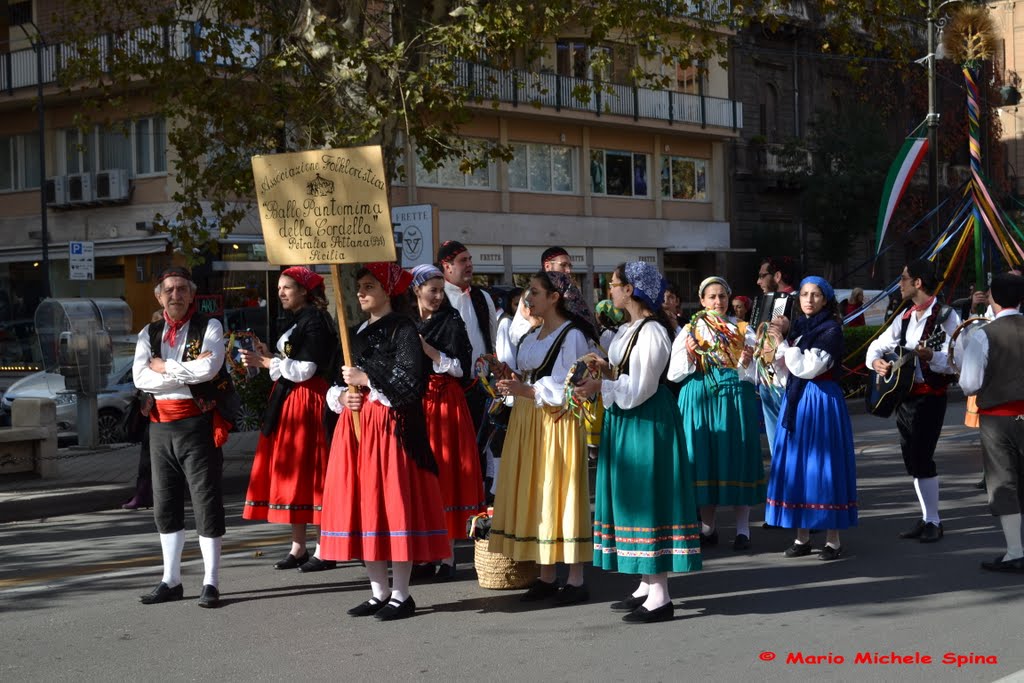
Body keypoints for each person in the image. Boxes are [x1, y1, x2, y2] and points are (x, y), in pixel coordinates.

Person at [318, 263, 448, 621]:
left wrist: (367, 377)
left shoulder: (403, 328)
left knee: (392, 507)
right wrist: (344, 397)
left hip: (389, 427)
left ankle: (401, 594)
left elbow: (409, 383)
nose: (361, 292)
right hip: (357, 427)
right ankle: (377, 592)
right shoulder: (357, 331)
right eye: (359, 286)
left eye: (369, 286)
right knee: (366, 507)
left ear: (387, 290)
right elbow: (336, 382)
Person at [575, 262, 702, 624]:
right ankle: (647, 584)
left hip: (647, 420)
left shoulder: (653, 332)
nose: (610, 291)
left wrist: (603, 385)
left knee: (649, 499)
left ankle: (661, 595)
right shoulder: (629, 329)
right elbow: (625, 376)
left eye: (614, 285)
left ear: (631, 290)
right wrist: (601, 367)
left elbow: (642, 388)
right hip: (629, 420)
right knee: (632, 498)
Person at [489, 270, 596, 605]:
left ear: (554, 297)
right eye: (528, 293)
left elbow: (571, 390)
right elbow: (530, 375)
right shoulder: (533, 335)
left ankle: (576, 579)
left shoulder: (572, 336)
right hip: (527, 418)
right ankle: (547, 575)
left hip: (556, 422)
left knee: (558, 490)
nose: (528, 299)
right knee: (536, 491)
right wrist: (509, 379)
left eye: (534, 292)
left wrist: (527, 388)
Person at [132, 266, 229, 609]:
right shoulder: (149, 331)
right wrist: (182, 376)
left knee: (206, 501)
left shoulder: (210, 326)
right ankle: (170, 579)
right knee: (165, 503)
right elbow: (140, 378)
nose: (175, 295)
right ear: (159, 296)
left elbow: (210, 369)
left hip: (196, 426)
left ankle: (211, 582)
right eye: (169, 290)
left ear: (192, 295)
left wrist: (166, 367)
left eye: (181, 290)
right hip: (159, 427)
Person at [240, 266, 338, 572]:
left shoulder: (317, 321)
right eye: (280, 287)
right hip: (291, 399)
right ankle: (299, 546)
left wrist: (267, 360)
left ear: (304, 291)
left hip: (308, 400)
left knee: (313, 470)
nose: (281, 292)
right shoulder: (299, 320)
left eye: (287, 287)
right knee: (295, 473)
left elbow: (306, 368)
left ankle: (326, 548)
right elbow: (289, 365)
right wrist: (269, 356)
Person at [866, 259, 960, 544]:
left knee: (922, 457)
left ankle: (934, 521)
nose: (900, 282)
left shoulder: (946, 316)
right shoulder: (905, 316)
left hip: (930, 398)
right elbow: (877, 344)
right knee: (912, 459)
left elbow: (957, 362)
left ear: (918, 282)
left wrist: (933, 357)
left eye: (904, 277)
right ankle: (926, 516)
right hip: (905, 397)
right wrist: (877, 362)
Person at [764, 276, 858, 560]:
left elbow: (808, 367)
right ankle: (802, 537)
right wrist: (772, 354)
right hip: (798, 400)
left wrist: (782, 344)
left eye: (815, 294)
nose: (808, 299)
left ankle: (833, 540)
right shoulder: (802, 329)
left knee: (822, 466)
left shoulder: (830, 330)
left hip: (820, 400)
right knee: (800, 467)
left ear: (826, 299)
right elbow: (788, 372)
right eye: (804, 294)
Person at [668, 276, 764, 551]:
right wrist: (689, 355)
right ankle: (708, 527)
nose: (718, 302)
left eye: (722, 296)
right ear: (702, 301)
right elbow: (674, 374)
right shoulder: (689, 331)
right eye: (712, 297)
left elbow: (756, 376)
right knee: (704, 458)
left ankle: (743, 529)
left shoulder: (743, 330)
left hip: (734, 399)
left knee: (737, 457)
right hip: (700, 398)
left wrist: (745, 364)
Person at [411, 264, 485, 580]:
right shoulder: (406, 322)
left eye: (442, 290)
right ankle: (424, 553)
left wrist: (428, 350)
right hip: (415, 403)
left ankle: (448, 556)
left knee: (446, 474)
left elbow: (460, 366)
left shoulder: (451, 321)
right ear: (417, 290)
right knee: (420, 479)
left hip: (444, 403)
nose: (439, 296)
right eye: (433, 290)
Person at [957, 272, 1024, 572]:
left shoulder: (984, 334)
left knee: (1003, 483)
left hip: (998, 419)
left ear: (993, 299)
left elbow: (970, 383)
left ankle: (1015, 551)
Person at [438, 241, 497, 484]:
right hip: (446, 389)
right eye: (463, 260)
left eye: (470, 259)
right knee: (450, 454)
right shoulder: (438, 298)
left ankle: (478, 509)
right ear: (447, 265)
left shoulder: (483, 297)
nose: (470, 265)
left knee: (477, 452)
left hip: (478, 388)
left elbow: (490, 341)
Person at [753, 256, 800, 466]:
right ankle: (781, 475)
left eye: (763, 275)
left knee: (791, 436)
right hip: (767, 378)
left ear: (777, 276)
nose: (758, 281)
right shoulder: (767, 301)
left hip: (786, 379)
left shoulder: (796, 301)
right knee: (775, 443)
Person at [122, 310, 165, 511]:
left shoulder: (172, 348)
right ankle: (143, 494)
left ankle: (150, 494)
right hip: (151, 407)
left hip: (168, 409)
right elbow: (141, 374)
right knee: (148, 456)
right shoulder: (149, 346)